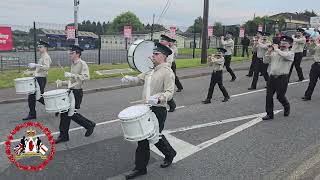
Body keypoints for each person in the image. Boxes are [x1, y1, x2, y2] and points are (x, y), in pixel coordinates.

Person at [121, 42, 177, 179]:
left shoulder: (167, 72)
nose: (153, 55)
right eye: (153, 53)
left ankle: (167, 154)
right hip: (146, 109)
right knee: (145, 138)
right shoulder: (151, 70)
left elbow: (170, 92)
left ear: (163, 56)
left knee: (152, 137)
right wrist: (128, 79)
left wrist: (161, 98)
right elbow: (139, 80)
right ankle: (141, 168)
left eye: (156, 54)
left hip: (158, 110)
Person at [54, 45, 96, 144]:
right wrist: (62, 82)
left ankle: (89, 125)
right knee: (65, 113)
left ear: (77, 53)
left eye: (72, 53)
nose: (70, 55)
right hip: (70, 91)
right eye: (70, 53)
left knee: (70, 113)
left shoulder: (82, 64)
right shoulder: (73, 64)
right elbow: (72, 81)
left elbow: (86, 77)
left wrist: (72, 75)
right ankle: (64, 136)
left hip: (77, 92)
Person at [262, 36, 294, 120]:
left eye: (285, 43)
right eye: (281, 43)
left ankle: (286, 106)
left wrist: (276, 49)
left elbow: (285, 55)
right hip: (272, 77)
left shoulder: (290, 53)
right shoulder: (275, 52)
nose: (282, 45)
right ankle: (269, 114)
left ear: (290, 45)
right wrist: (268, 52)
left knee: (280, 96)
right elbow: (265, 61)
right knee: (268, 96)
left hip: (282, 78)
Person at [23, 41, 52, 120]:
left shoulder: (46, 56)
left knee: (37, 97)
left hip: (41, 79)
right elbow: (39, 70)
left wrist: (36, 65)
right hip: (38, 78)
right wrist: (30, 72)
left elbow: (46, 67)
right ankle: (32, 113)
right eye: (38, 47)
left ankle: (55, 106)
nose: (38, 48)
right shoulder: (42, 56)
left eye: (40, 47)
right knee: (33, 96)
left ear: (45, 48)